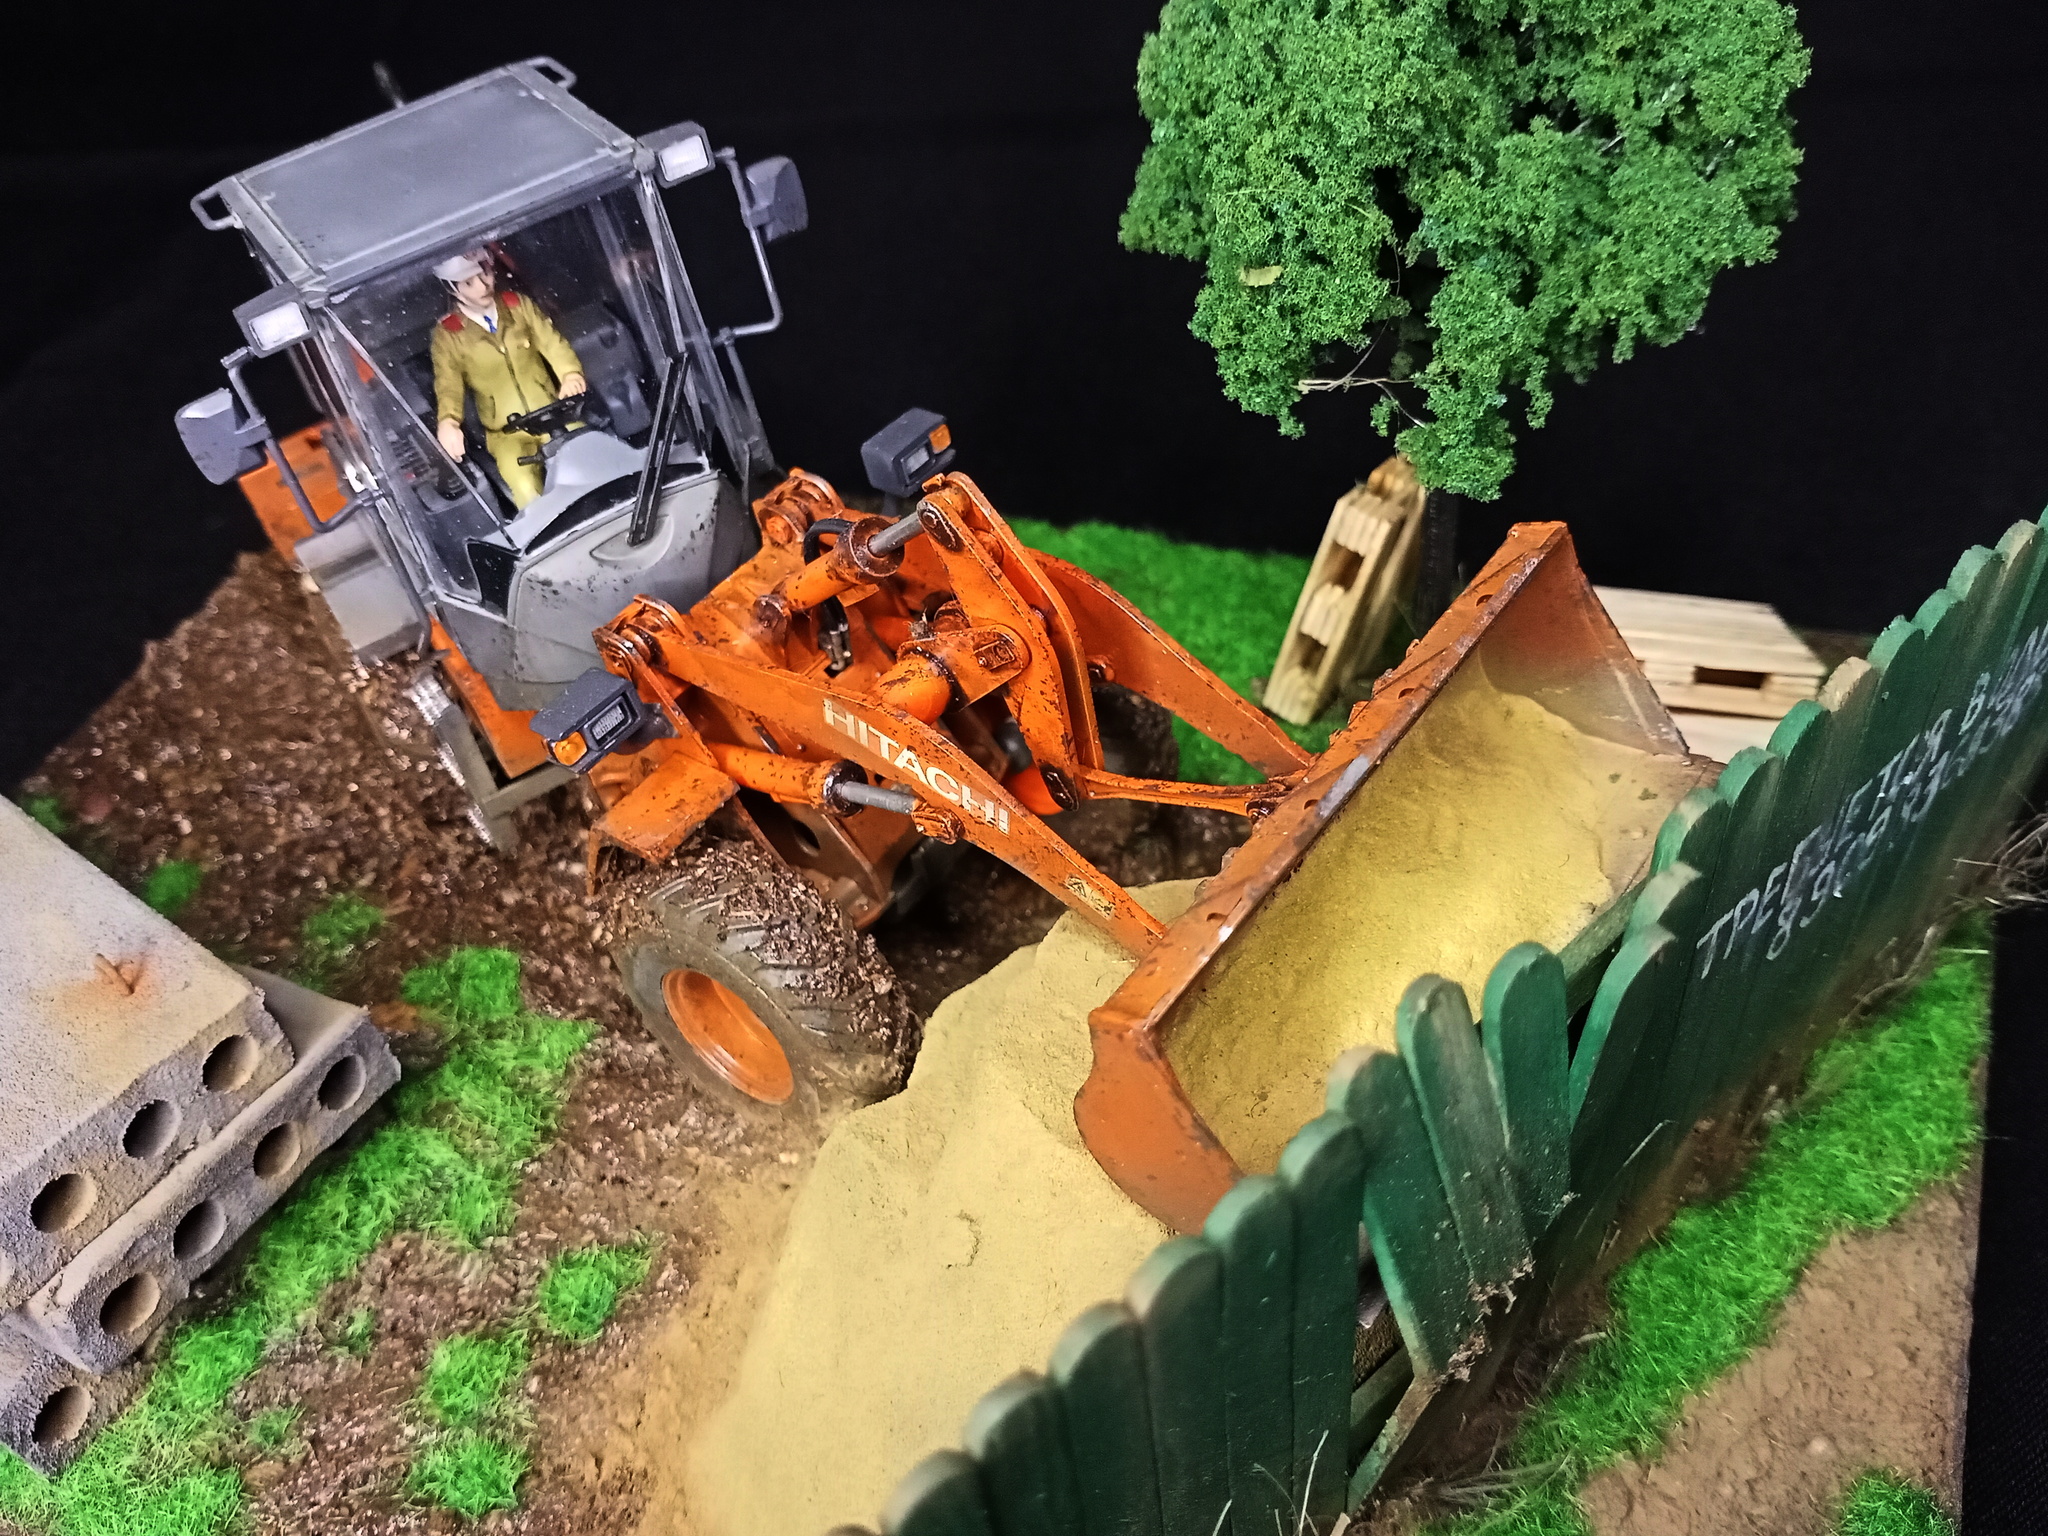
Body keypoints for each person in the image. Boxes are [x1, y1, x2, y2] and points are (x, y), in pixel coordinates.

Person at [428, 249, 587, 508]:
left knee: (588, 454)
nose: (483, 286)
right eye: (468, 283)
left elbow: (551, 343)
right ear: (452, 289)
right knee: (524, 486)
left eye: (485, 274)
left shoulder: (518, 306)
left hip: (554, 414)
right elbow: (448, 384)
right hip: (506, 432)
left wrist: (570, 373)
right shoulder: (448, 335)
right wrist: (449, 421)